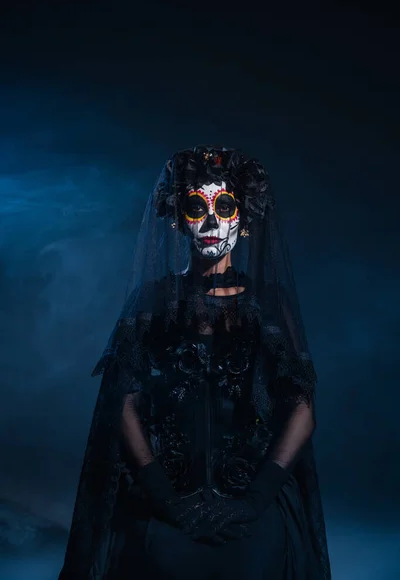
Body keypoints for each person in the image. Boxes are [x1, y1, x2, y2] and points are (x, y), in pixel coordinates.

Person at [58, 146, 331, 579]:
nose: (209, 221)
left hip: (251, 503)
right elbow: (121, 401)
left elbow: (301, 408)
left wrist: (256, 499)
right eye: (195, 206)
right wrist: (163, 497)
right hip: (164, 500)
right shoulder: (151, 302)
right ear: (178, 218)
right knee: (158, 558)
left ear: (242, 220)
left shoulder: (269, 306)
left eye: (223, 206)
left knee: (253, 561)